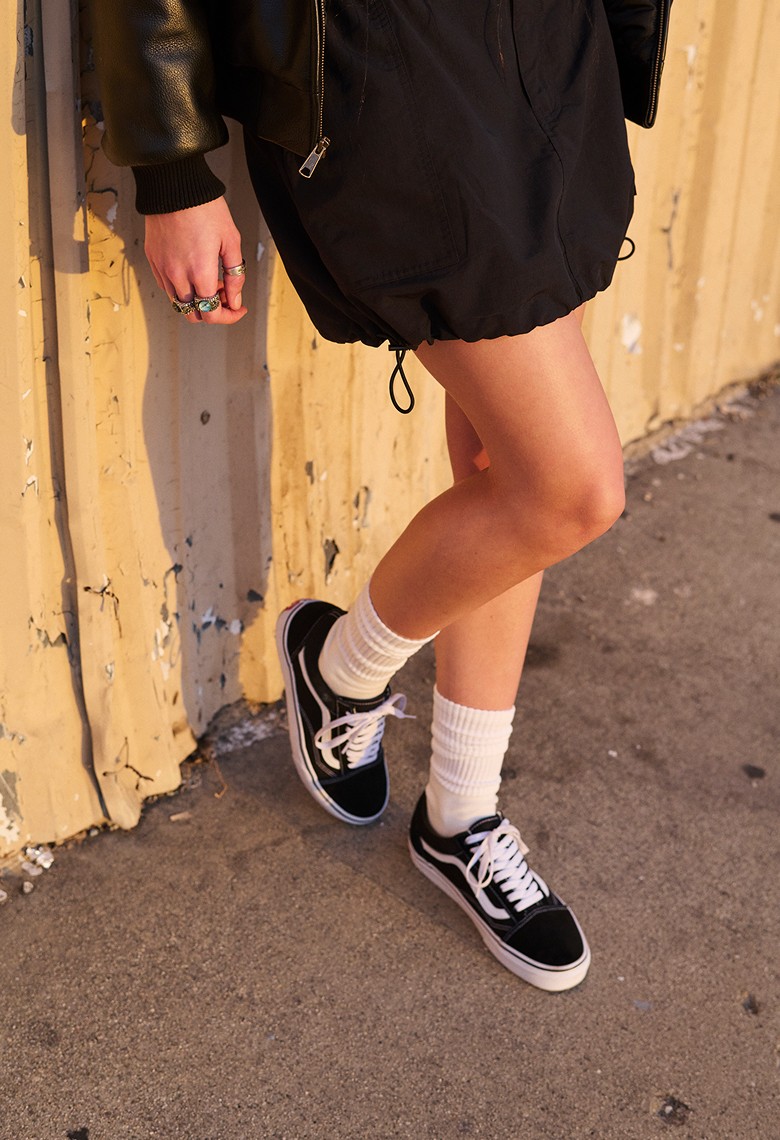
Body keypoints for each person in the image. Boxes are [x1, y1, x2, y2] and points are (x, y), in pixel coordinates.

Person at [91, 0, 635, 991]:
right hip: (394, 65)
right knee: (573, 488)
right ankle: (343, 667)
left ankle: (460, 816)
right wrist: (169, 166)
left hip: (555, 46)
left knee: (506, 470)